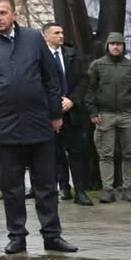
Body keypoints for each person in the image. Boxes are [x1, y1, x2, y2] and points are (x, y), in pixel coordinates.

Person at [0, 0, 78, 258]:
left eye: (3, 12)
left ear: (14, 14)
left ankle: (52, 235)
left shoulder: (32, 38)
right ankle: (17, 236)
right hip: (4, 126)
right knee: (12, 186)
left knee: (46, 184)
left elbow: (50, 78)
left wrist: (55, 114)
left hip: (39, 122)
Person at [85, 34, 131, 202]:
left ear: (123, 46)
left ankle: (128, 187)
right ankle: (107, 189)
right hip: (104, 115)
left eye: (119, 44)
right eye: (112, 44)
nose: (116, 47)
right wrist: (92, 111)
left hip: (128, 114)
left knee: (130, 153)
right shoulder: (97, 65)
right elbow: (89, 89)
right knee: (105, 154)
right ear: (107, 46)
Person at [42, 23, 94, 207]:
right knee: (54, 154)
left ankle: (80, 190)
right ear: (46, 36)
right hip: (49, 114)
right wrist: (54, 103)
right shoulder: (39, 56)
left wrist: (72, 100)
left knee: (77, 152)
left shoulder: (72, 55)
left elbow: (83, 81)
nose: (61, 35)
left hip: (72, 112)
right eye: (56, 33)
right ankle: (62, 187)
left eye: (62, 32)